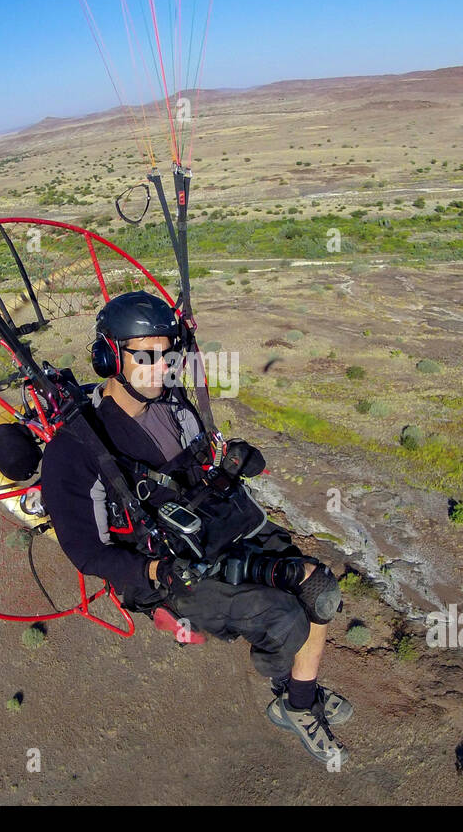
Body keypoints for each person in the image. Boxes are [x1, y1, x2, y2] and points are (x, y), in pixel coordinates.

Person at [39, 290, 352, 764]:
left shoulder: (174, 405)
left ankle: (298, 699)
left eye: (169, 354)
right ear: (109, 356)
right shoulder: (75, 449)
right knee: (284, 618)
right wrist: (154, 574)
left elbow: (199, 470)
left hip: (216, 532)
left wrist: (231, 465)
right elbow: (87, 552)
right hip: (166, 574)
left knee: (319, 591)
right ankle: (293, 697)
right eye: (145, 355)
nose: (161, 366)